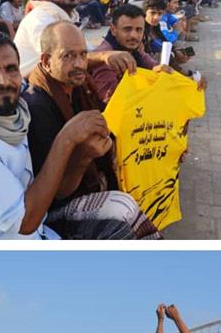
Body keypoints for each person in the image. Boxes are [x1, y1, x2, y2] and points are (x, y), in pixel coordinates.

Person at [0, 32, 114, 239]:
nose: (3, 81)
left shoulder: (11, 110)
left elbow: (44, 73)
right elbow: (24, 223)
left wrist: (100, 58)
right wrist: (66, 139)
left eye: (11, 69)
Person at [24, 21, 163, 239]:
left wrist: (162, 84)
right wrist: (83, 157)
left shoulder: (78, 86)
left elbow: (117, 121)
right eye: (68, 56)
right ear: (46, 61)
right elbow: (57, 193)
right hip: (54, 209)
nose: (79, 63)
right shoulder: (37, 107)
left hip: (89, 184)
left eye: (82, 54)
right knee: (122, 208)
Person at [14, 0, 138, 78]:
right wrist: (104, 56)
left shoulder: (68, 15)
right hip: (31, 90)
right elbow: (61, 59)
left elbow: (88, 51)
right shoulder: (41, 16)